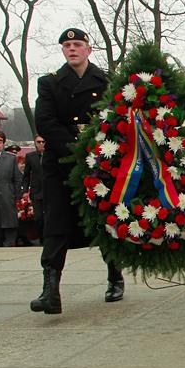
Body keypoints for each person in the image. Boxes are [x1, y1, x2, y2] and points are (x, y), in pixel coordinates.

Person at [32, 29, 123, 313]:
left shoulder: (107, 82)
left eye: (77, 45)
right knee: (56, 225)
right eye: (67, 45)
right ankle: (51, 290)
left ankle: (115, 276)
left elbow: (117, 118)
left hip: (101, 160)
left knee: (105, 219)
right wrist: (75, 149)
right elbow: (45, 122)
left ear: (88, 49)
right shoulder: (49, 83)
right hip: (62, 161)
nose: (72, 49)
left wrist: (96, 150)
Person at [21, 135, 46, 242]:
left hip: (50, 191)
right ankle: (41, 237)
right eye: (39, 142)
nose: (41, 144)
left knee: (49, 216)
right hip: (37, 191)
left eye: (43, 142)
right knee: (38, 217)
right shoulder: (30, 156)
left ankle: (48, 238)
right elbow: (26, 175)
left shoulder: (51, 155)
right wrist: (25, 191)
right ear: (35, 143)